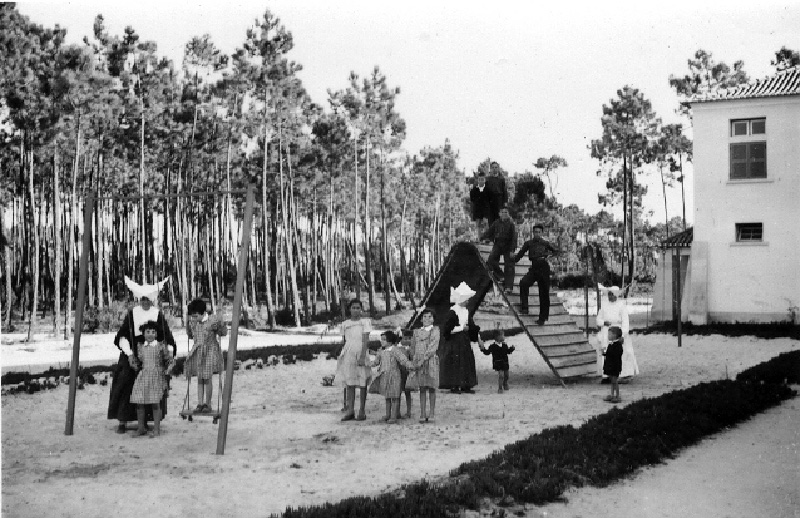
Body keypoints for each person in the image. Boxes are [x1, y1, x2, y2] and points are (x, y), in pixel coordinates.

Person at [108, 276, 175, 434]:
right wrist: (130, 355)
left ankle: (148, 421)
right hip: (132, 350)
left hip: (153, 351)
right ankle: (123, 420)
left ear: (152, 299)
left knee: (154, 384)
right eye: (142, 299)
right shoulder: (132, 314)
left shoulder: (157, 314)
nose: (145, 302)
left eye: (148, 299)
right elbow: (122, 336)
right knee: (125, 378)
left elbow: (167, 337)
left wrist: (168, 354)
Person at [129, 320, 174, 437]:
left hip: (156, 376)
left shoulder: (160, 346)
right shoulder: (141, 347)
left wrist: (169, 366)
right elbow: (138, 362)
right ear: (143, 333)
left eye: (153, 332)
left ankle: (157, 429)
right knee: (139, 402)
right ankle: (141, 428)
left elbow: (168, 360)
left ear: (156, 334)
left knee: (155, 403)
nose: (150, 334)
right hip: (143, 376)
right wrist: (134, 364)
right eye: (148, 332)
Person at [184, 299, 227, 413]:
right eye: (192, 316)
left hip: (210, 351)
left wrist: (221, 323)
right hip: (199, 351)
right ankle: (200, 403)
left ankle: (208, 404)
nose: (193, 318)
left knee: (207, 378)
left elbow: (223, 333)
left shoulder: (212, 320)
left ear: (203, 313)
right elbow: (190, 336)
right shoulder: (193, 323)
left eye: (195, 315)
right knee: (199, 378)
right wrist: (188, 325)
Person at [439, 282, 482, 393]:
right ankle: (454, 385)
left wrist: (476, 335)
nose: (468, 301)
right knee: (455, 361)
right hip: (454, 341)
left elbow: (471, 325)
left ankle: (466, 385)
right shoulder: (453, 311)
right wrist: (462, 328)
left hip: (464, 340)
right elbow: (447, 330)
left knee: (466, 361)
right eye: (466, 299)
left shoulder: (466, 311)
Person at [513, 224, 560, 325]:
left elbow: (556, 251)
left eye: (539, 232)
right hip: (534, 267)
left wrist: (548, 257)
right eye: (535, 232)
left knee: (543, 293)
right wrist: (512, 259)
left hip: (544, 267)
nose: (537, 234)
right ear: (533, 233)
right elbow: (520, 254)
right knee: (524, 283)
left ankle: (542, 318)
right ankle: (525, 308)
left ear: (542, 233)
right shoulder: (529, 243)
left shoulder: (545, 243)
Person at [336, 299, 372, 421]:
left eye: (358, 308)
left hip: (360, 352)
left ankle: (361, 410)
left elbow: (365, 340)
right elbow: (344, 341)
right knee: (349, 382)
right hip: (348, 353)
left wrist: (362, 356)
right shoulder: (345, 324)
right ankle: (350, 410)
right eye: (353, 308)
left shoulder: (365, 322)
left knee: (362, 382)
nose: (356, 310)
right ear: (349, 309)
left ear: (361, 309)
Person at [370, 330, 417, 424]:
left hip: (395, 376)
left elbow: (403, 360)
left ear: (390, 341)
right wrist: (367, 364)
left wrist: (411, 366)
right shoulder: (381, 351)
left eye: (384, 339)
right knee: (387, 396)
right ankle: (388, 414)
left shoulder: (395, 350)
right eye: (381, 339)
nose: (382, 341)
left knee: (395, 397)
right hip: (384, 376)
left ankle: (393, 416)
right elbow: (376, 362)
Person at [595, 284, 639, 382]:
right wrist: (603, 323)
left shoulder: (621, 306)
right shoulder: (604, 305)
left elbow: (625, 322)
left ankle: (624, 375)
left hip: (618, 331)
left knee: (622, 353)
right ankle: (607, 375)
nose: (610, 296)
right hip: (607, 331)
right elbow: (598, 319)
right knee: (606, 353)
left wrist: (622, 334)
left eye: (612, 294)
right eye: (609, 294)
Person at [405, 308, 440, 423]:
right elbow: (413, 347)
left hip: (430, 362)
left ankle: (432, 413)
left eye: (430, 316)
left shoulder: (435, 330)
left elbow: (433, 346)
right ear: (421, 318)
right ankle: (422, 413)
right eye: (425, 316)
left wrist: (425, 358)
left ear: (433, 319)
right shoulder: (416, 332)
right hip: (418, 362)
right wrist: (413, 360)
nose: (427, 319)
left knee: (432, 388)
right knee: (422, 388)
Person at [481, 207, 517, 292]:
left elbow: (514, 238)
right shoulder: (496, 223)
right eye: (502, 212)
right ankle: (501, 276)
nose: (504, 214)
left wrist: (512, 250)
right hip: (498, 244)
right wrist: (482, 238)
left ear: (508, 214)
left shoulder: (511, 223)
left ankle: (508, 286)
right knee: (491, 260)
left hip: (508, 245)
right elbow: (489, 232)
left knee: (509, 265)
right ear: (499, 214)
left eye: (506, 212)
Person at [479, 329, 515, 393]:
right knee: (501, 375)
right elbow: (487, 352)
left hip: (505, 362)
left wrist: (511, 349)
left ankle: (505, 383)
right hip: (498, 363)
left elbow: (507, 352)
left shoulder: (504, 345)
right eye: (502, 335)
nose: (504, 337)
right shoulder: (492, 346)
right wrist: (483, 349)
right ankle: (500, 388)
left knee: (506, 375)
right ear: (497, 337)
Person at [602, 326, 624, 403]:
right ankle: (612, 395)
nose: (608, 336)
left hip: (615, 366)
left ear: (614, 335)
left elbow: (616, 354)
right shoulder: (611, 344)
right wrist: (604, 353)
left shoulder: (618, 345)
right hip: (610, 365)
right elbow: (608, 353)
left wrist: (608, 353)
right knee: (612, 381)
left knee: (615, 381)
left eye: (609, 334)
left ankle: (617, 395)